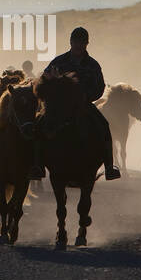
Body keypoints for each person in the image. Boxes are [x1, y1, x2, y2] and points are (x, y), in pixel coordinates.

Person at [32, 26, 120, 181]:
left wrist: (86, 97)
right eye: (76, 42)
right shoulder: (59, 61)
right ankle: (37, 165)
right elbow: (43, 80)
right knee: (39, 125)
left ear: (87, 44)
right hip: (59, 107)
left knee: (103, 125)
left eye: (82, 42)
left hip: (83, 105)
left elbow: (100, 87)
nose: (79, 45)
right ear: (71, 42)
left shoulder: (93, 65)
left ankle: (109, 167)